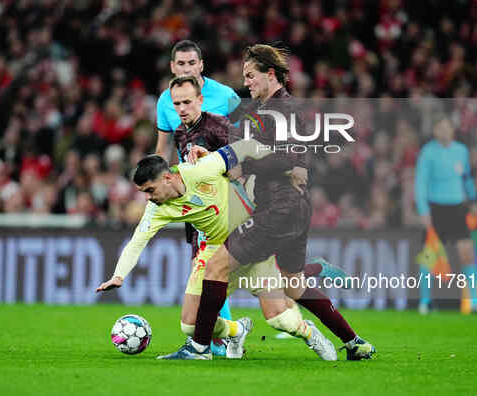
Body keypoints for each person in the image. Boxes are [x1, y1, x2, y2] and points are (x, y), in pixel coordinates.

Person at [96, 79, 338, 362]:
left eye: (150, 190)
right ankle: (236, 330)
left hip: (249, 242)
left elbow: (246, 147)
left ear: (167, 177)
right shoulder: (158, 209)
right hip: (214, 250)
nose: (149, 198)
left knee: (279, 320)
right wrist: (119, 275)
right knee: (189, 325)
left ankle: (310, 334)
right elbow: (137, 241)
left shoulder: (202, 168)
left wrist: (289, 165)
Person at [165, 44, 375, 361]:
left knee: (217, 265)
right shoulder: (271, 110)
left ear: (270, 74)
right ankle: (356, 342)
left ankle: (199, 348)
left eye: (251, 76)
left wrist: (247, 164)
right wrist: (220, 159)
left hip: (279, 207)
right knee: (293, 285)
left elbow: (288, 158)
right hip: (294, 207)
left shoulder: (280, 111)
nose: (246, 82)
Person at [154, 40, 239, 334]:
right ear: (172, 67)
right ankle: (225, 334)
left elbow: (249, 135)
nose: (186, 68)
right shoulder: (165, 101)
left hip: (227, 189)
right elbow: (163, 147)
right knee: (206, 264)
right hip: (192, 191)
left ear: (201, 65)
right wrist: (157, 182)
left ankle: (223, 334)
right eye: (181, 64)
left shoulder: (226, 96)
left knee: (210, 263)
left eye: (192, 63)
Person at [415, 112, 477, 314]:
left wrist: (473, 199)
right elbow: (420, 183)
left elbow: (466, 178)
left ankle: (475, 302)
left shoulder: (461, 151)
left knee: (467, 253)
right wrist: (423, 211)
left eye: (447, 126)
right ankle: (425, 302)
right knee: (429, 256)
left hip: (458, 208)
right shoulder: (427, 152)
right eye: (439, 127)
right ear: (434, 131)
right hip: (436, 209)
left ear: (452, 129)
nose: (444, 130)